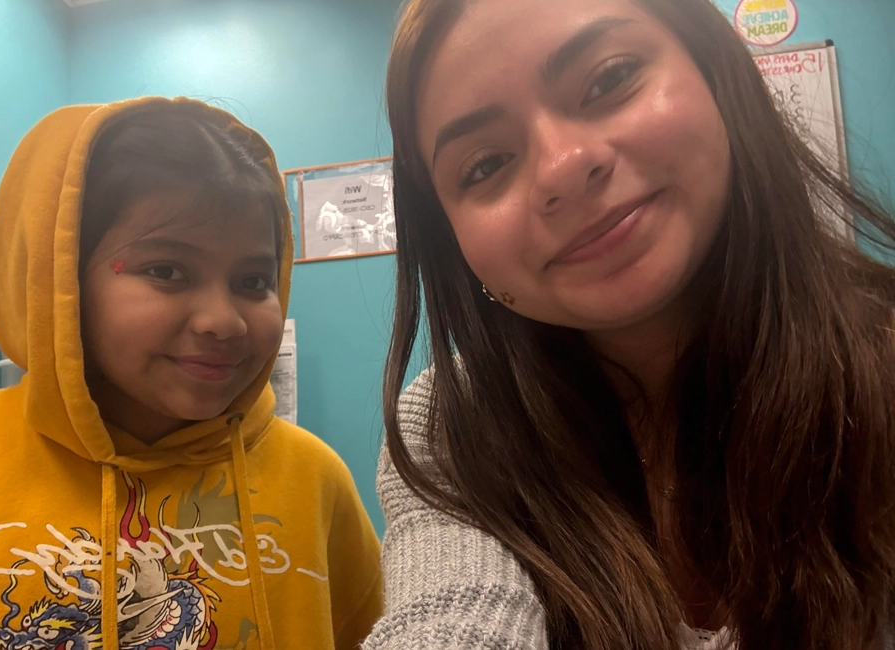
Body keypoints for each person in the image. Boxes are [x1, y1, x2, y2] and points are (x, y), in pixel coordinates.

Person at [364, 1, 895, 649]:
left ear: (714, 70)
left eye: (608, 79)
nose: (562, 167)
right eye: (485, 165)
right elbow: (451, 617)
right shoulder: (447, 426)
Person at [0, 97, 383, 650]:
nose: (223, 321)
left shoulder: (317, 482)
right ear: (62, 281)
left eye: (253, 281)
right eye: (167, 271)